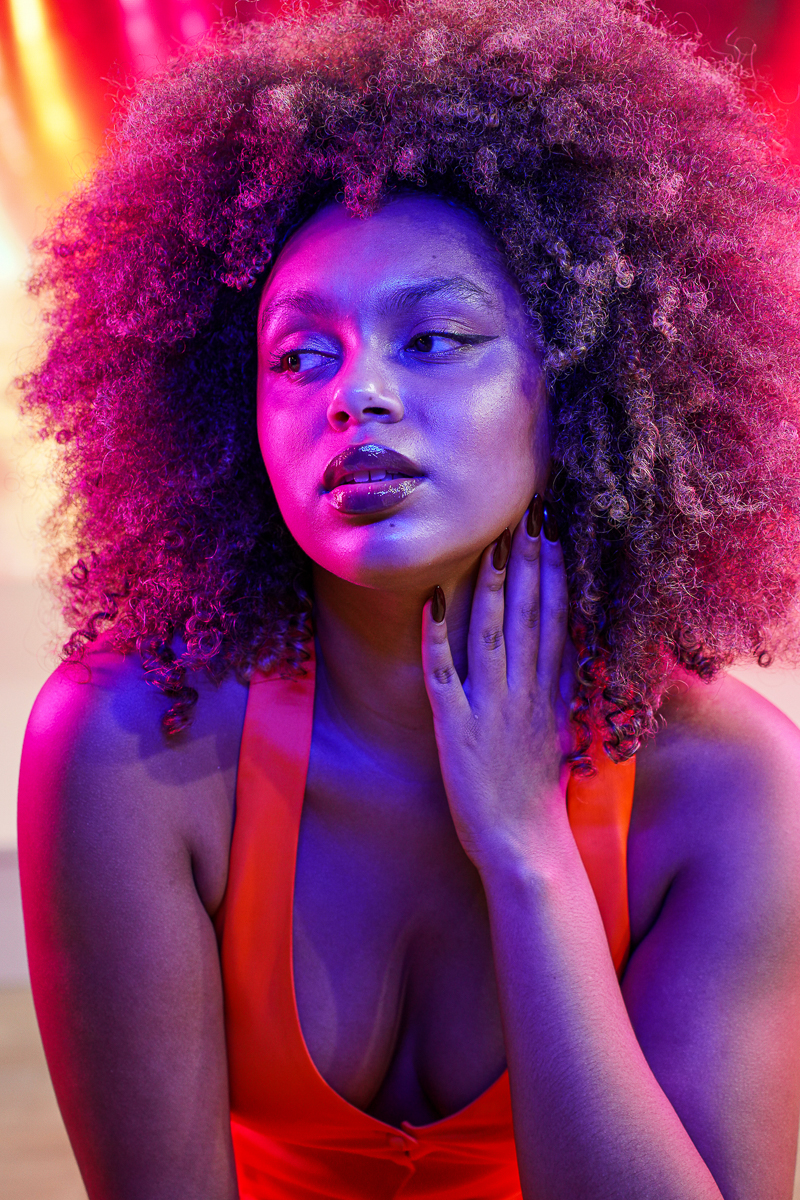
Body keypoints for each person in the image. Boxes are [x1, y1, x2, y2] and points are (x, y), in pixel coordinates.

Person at [15, 0, 800, 1196]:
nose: (356, 396)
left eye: (431, 339)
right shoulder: (131, 741)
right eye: (298, 356)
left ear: (580, 373)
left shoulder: (728, 782)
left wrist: (527, 854)